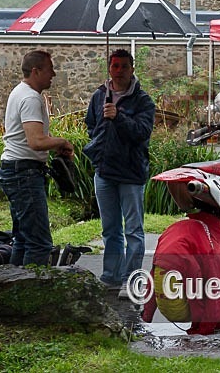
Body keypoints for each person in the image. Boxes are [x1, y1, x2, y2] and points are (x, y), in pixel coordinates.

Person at [84, 49, 155, 298]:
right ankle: (111, 276)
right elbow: (91, 124)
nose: (119, 71)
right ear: (109, 68)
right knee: (110, 228)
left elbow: (141, 132)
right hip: (104, 171)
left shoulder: (143, 101)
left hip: (131, 172)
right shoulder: (99, 96)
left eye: (124, 66)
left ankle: (131, 279)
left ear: (132, 69)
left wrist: (119, 116)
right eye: (115, 66)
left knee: (133, 230)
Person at [0, 50, 74, 266]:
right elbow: (36, 141)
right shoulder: (30, 97)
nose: (54, 74)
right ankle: (32, 293)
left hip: (15, 170)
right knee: (39, 243)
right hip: (24, 173)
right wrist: (63, 142)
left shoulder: (21, 92)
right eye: (50, 69)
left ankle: (13, 288)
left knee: (23, 239)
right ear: (36, 71)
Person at [141, 207, 220, 334]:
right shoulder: (214, 244)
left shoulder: (177, 228)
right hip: (178, 300)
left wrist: (145, 318)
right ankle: (201, 328)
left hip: (163, 277)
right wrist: (203, 331)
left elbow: (152, 278)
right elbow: (218, 294)